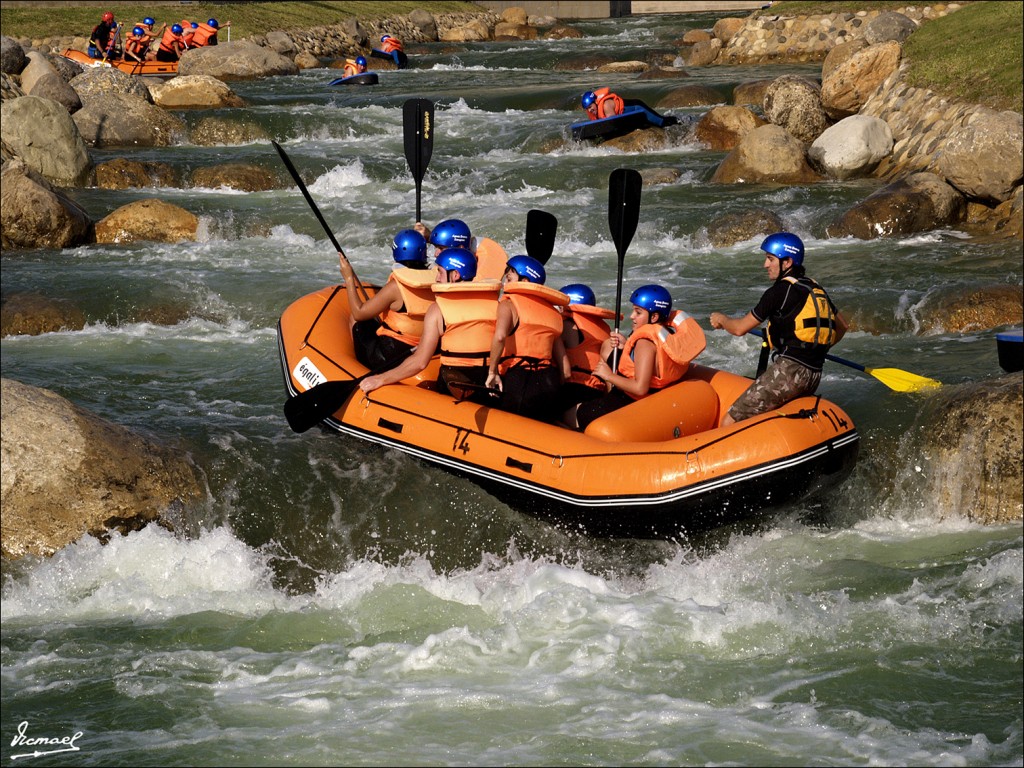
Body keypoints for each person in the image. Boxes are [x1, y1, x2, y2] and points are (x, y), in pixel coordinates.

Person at [709, 232, 848, 426]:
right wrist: (814, 350)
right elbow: (842, 326)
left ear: (787, 262)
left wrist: (722, 319)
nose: (765, 265)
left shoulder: (778, 292)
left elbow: (739, 329)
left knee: (730, 420)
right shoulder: (814, 287)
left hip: (789, 372)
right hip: (814, 373)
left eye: (770, 259)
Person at [566, 284, 703, 431]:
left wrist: (608, 375)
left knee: (568, 415)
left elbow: (640, 388)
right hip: (653, 397)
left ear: (654, 317)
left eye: (638, 312)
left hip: (629, 402)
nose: (632, 316)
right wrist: (626, 346)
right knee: (608, 347)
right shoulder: (668, 334)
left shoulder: (645, 343)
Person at [359, 247, 492, 397]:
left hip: (453, 387)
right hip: (487, 386)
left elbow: (420, 362)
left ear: (455, 275)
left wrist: (381, 379)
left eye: (440, 272)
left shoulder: (438, 310)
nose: (437, 279)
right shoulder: (492, 304)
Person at [485, 256, 569, 421]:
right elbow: (566, 370)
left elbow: (500, 337)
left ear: (524, 281)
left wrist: (492, 372)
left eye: (510, 276)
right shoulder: (554, 313)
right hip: (548, 381)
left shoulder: (508, 305)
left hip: (518, 379)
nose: (506, 278)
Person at [341, 229, 433, 370]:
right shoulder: (436, 279)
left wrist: (348, 278)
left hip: (390, 356)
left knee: (357, 320)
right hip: (423, 348)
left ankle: (358, 368)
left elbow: (359, 313)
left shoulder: (395, 287)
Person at [554, 284, 617, 418]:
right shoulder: (604, 329)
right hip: (597, 392)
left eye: (559, 307)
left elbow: (564, 372)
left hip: (574, 390)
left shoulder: (567, 326)